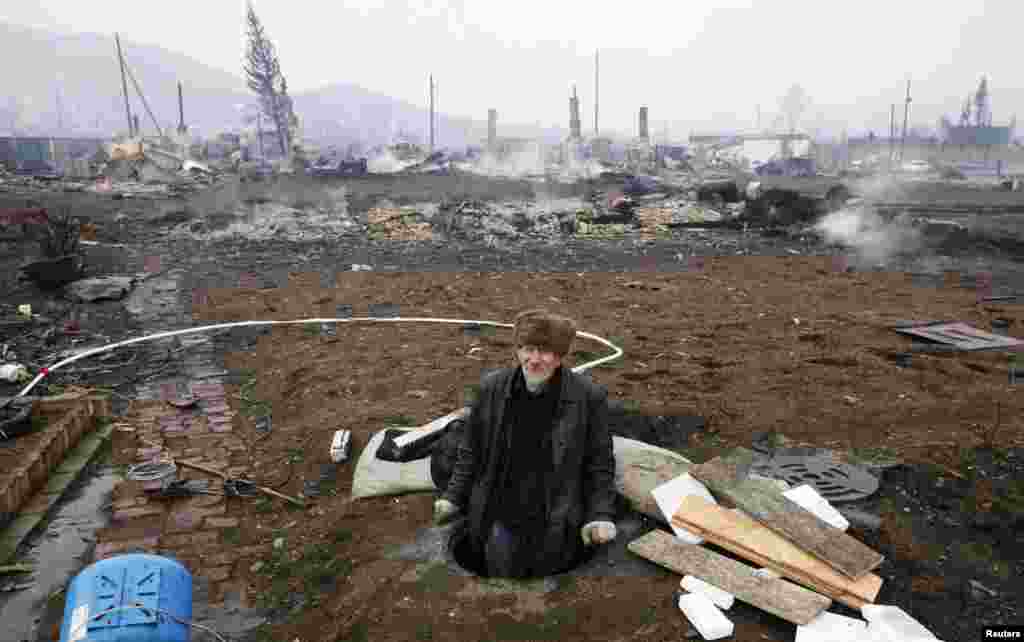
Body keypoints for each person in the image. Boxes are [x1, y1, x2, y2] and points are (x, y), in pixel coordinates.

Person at [433, 308, 617, 579]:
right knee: (501, 575)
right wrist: (452, 497)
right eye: (527, 349)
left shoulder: (588, 397)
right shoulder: (492, 389)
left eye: (544, 351)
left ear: (560, 356)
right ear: (517, 350)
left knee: (547, 580)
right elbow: (470, 451)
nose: (533, 360)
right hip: (501, 509)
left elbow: (599, 462)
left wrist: (600, 513)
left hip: (556, 510)